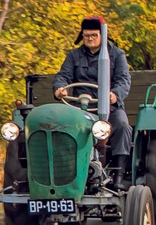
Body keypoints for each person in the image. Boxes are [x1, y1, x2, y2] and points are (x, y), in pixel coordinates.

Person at [51, 15, 133, 169]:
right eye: (86, 35)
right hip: (79, 109)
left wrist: (114, 95)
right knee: (59, 126)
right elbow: (63, 76)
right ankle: (63, 169)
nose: (89, 39)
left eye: (94, 35)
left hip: (109, 109)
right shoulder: (73, 56)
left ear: (102, 35)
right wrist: (60, 89)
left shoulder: (117, 55)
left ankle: (119, 174)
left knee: (122, 125)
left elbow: (124, 80)